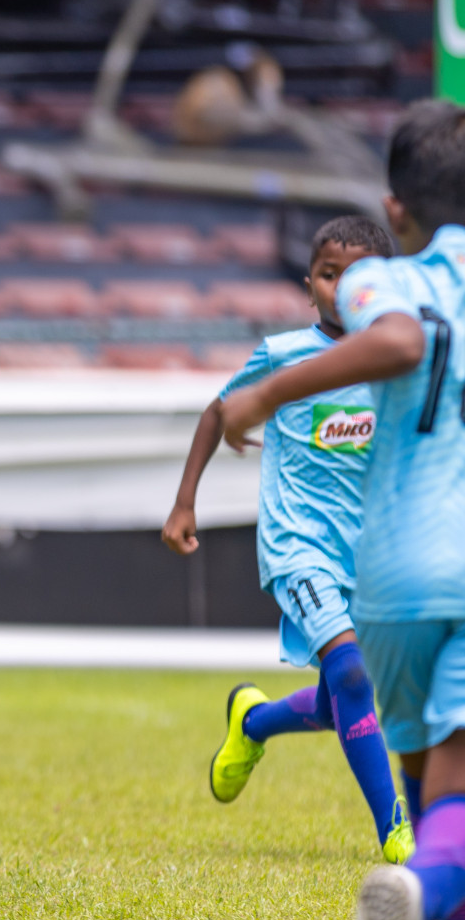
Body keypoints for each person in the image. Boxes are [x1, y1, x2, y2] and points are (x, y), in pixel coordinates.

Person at [218, 100, 465, 920]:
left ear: (395, 213)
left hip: (394, 577)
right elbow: (398, 347)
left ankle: (416, 895)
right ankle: (423, 889)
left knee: (444, 803)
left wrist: (263, 394)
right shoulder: (373, 287)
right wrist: (270, 389)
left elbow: (397, 338)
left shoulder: (387, 280)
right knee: (455, 801)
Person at [163, 215, 411, 864]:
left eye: (358, 276)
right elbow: (219, 412)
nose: (341, 288)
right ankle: (396, 831)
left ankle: (252, 722)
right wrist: (184, 502)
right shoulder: (283, 356)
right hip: (298, 545)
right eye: (330, 275)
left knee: (340, 700)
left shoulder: (399, 363)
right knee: (353, 674)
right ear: (310, 287)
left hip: (372, 554)